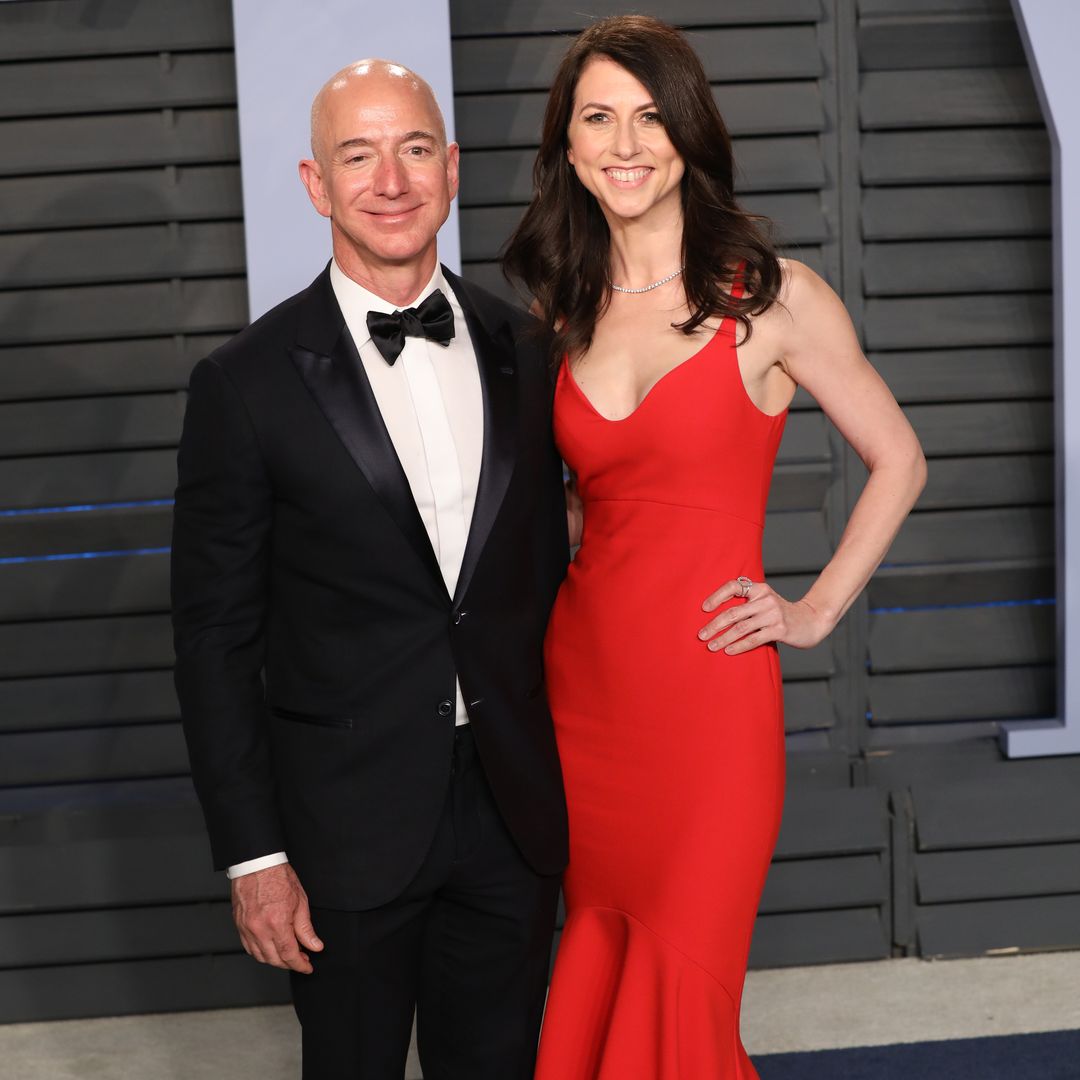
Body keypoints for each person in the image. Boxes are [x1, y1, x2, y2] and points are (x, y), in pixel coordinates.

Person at [502, 16, 927, 1080]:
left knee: (682, 994)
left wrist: (813, 611)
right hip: (584, 694)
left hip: (708, 705)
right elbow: (590, 506)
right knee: (598, 972)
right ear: (567, 145)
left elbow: (901, 458)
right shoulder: (567, 309)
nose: (625, 141)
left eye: (649, 116)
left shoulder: (768, 298)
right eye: (597, 117)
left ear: (689, 132)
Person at [170, 59, 570, 1080]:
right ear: (315, 183)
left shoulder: (526, 349)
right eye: (359, 154)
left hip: (511, 815)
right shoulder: (243, 385)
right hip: (339, 830)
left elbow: (548, 582)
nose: (390, 180)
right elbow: (213, 639)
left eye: (414, 149)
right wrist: (254, 856)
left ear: (452, 169)